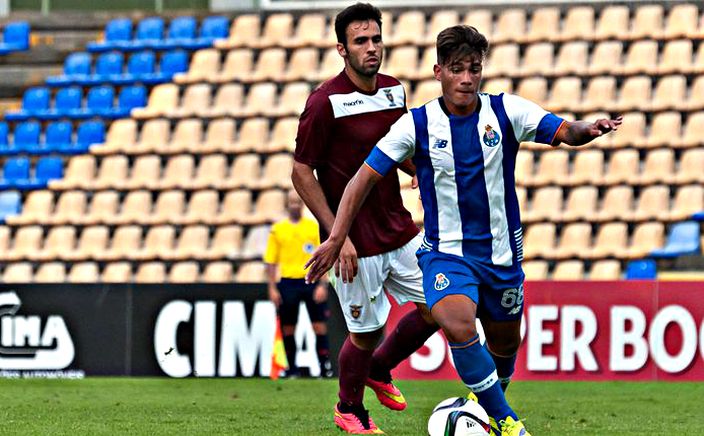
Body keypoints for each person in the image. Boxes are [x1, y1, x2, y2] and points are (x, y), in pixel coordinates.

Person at [305, 25, 622, 436]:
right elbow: (360, 180)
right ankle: (509, 423)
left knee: (506, 344)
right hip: (446, 254)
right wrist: (335, 237)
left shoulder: (505, 111)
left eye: (474, 68)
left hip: (503, 257)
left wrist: (587, 129)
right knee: (457, 324)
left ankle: (484, 409)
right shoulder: (415, 125)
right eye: (457, 69)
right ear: (439, 72)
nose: (467, 78)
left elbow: (562, 130)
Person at [292, 3, 439, 434]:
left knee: (440, 308)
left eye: (376, 39)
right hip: (353, 242)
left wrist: (420, 174)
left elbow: (399, 148)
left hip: (400, 229)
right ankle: (348, 409)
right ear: (342, 49)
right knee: (365, 332)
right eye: (361, 41)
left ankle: (378, 370)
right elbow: (301, 171)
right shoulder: (324, 102)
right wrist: (338, 237)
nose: (372, 48)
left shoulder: (395, 90)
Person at [264, 190, 333, 378]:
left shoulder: (312, 227)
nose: (294, 205)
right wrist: (272, 288)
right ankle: (292, 368)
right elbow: (270, 262)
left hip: (311, 281)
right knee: (288, 327)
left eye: (297, 202)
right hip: (287, 283)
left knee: (318, 326)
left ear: (302, 204)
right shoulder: (278, 230)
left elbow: (324, 257)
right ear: (287, 204)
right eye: (291, 202)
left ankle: (324, 367)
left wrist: (322, 284)